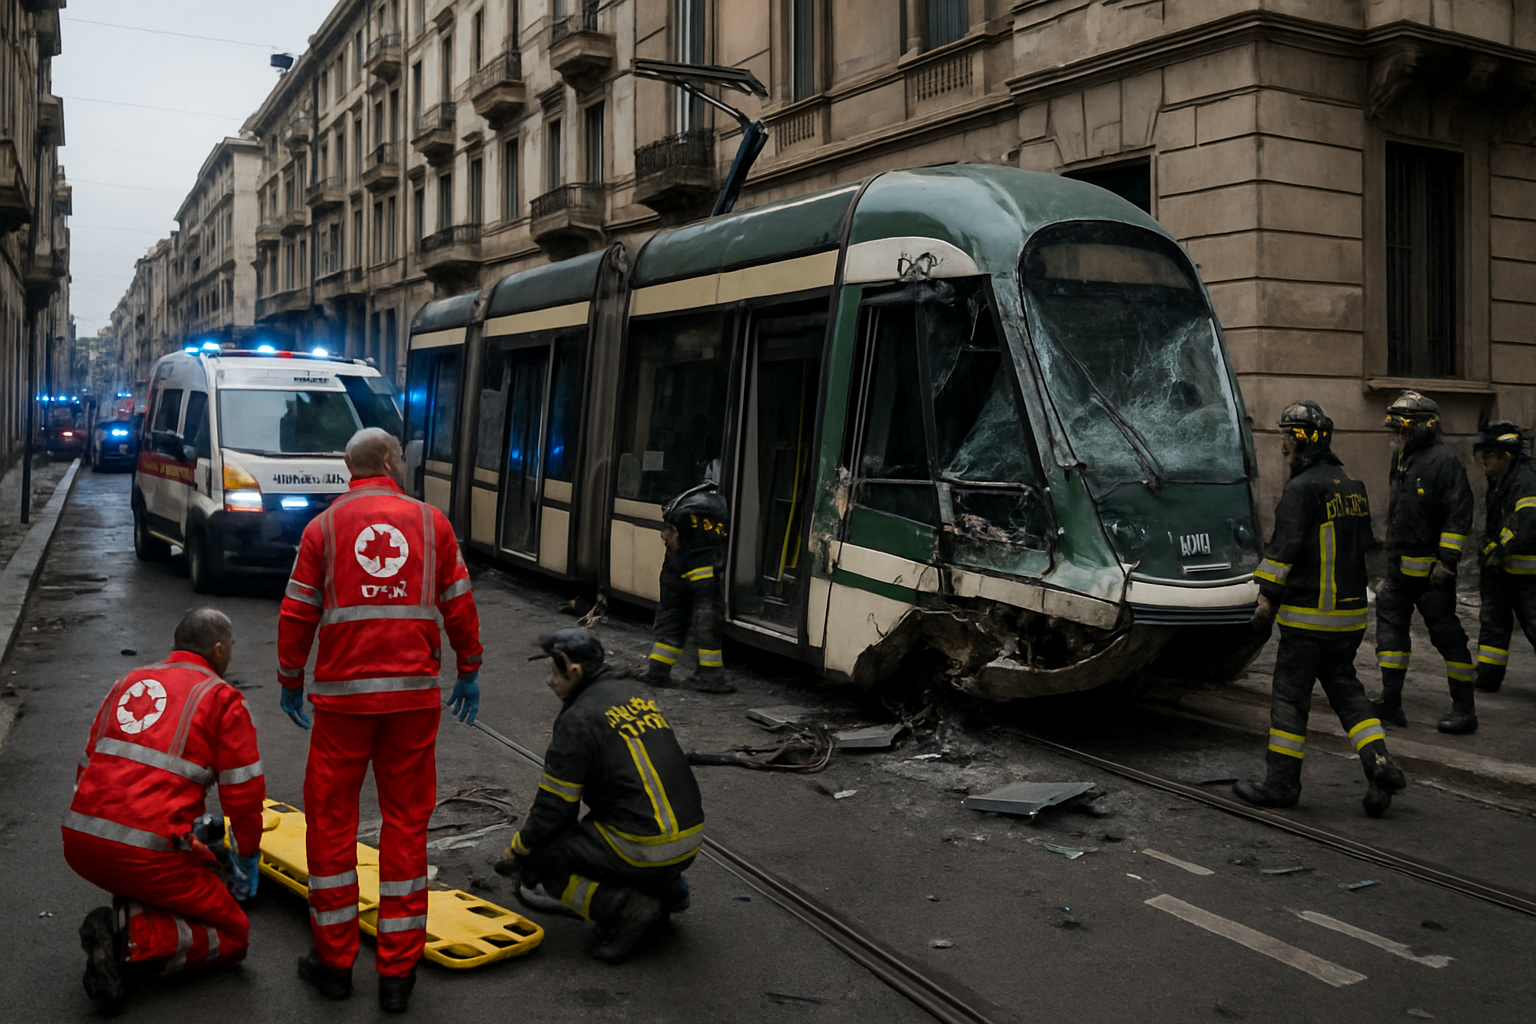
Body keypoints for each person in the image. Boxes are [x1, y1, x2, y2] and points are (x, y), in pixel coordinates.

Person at [278, 427, 483, 1013]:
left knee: (331, 826)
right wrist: (469, 668)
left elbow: (297, 612)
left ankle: (335, 963)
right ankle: (397, 974)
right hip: (412, 702)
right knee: (405, 827)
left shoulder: (322, 528)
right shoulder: (431, 523)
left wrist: (290, 678)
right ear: (391, 460)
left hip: (342, 704)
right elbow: (459, 603)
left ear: (350, 468)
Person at [63, 609, 264, 1015]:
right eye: (231, 650)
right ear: (219, 649)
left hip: (81, 842)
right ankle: (128, 940)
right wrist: (247, 856)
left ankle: (136, 904)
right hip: (146, 854)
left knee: (204, 861)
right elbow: (243, 795)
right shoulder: (222, 699)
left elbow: (87, 765)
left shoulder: (128, 683)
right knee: (234, 933)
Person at [1238, 401, 1408, 817]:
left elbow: (1283, 552)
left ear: (1301, 441)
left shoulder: (1301, 489)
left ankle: (1280, 784)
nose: (1282, 445)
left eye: (1286, 437)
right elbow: (1364, 546)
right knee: (1347, 689)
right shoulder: (1352, 483)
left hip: (1308, 619)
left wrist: (1265, 600)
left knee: (1290, 699)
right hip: (1349, 618)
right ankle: (1378, 760)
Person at [496, 628, 704, 964]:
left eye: (554, 672)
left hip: (646, 846)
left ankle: (624, 908)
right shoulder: (633, 695)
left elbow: (554, 810)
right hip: (690, 840)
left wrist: (518, 851)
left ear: (575, 672)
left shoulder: (577, 721)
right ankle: (671, 890)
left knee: (546, 853)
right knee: (607, 823)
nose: (550, 682)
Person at [1372, 391, 1477, 733]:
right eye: (1396, 424)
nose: (1398, 431)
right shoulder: (1402, 458)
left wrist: (1446, 561)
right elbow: (1398, 514)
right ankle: (1391, 701)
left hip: (1433, 573)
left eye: (1405, 424)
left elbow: (1458, 514)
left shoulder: (1444, 461)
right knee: (1390, 635)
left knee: (1447, 636)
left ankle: (1465, 709)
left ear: (1425, 426)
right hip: (1399, 569)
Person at [644, 483, 734, 694]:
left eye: (667, 534)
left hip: (677, 570)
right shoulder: (709, 515)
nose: (664, 539)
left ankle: (657, 671)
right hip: (699, 571)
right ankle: (711, 676)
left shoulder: (683, 513)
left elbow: (670, 614)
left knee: (673, 618)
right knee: (705, 620)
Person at [1471, 421, 1536, 694]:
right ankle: (1488, 675)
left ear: (1505, 455)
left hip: (1529, 578)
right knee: (1493, 624)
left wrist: (1495, 547)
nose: (1484, 463)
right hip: (1503, 573)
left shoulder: (1526, 480)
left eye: (1488, 457)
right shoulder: (1500, 481)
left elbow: (1525, 523)